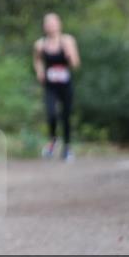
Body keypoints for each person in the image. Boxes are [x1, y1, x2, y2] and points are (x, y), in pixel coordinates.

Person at [33, 12, 80, 161]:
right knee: (51, 113)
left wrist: (69, 54)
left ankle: (67, 148)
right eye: (48, 23)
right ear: (44, 26)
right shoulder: (40, 44)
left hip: (65, 85)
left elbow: (75, 64)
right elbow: (37, 60)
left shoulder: (67, 40)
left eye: (53, 23)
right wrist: (40, 71)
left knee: (66, 115)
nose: (51, 26)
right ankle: (53, 140)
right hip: (50, 85)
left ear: (59, 24)